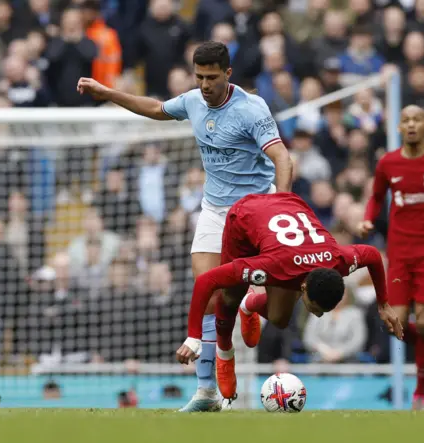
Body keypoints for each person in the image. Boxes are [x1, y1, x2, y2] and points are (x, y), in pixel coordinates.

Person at [77, 41, 293, 413]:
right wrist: (106, 92)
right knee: (209, 297)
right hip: (214, 210)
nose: (205, 84)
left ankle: (249, 304)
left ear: (227, 74)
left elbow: (282, 158)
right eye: (199, 77)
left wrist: (282, 205)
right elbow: (157, 109)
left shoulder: (252, 109)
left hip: (257, 210)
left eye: (211, 77)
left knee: (277, 310)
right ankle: (207, 390)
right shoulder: (194, 100)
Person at [175, 192, 403, 400]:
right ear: (304, 288)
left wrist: (384, 304)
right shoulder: (269, 266)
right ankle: (225, 352)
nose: (320, 315)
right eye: (316, 308)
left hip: (291, 209)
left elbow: (372, 255)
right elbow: (207, 281)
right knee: (229, 296)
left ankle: (250, 305)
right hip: (245, 215)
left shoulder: (339, 260)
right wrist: (193, 336)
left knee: (280, 319)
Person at [357, 105, 424, 410]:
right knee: (398, 323)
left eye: (416, 119)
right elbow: (377, 196)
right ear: (398, 127)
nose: (411, 125)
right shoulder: (388, 163)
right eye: (405, 120)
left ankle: (419, 390)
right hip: (399, 253)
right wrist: (368, 219)